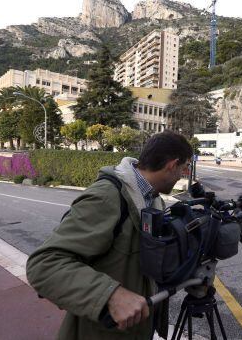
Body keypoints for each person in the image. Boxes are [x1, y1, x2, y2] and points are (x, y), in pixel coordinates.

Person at [26, 131, 193, 340]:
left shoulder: (153, 200)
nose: (183, 174)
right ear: (172, 164)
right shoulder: (108, 196)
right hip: (102, 333)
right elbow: (44, 265)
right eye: (184, 167)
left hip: (137, 330)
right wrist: (110, 295)